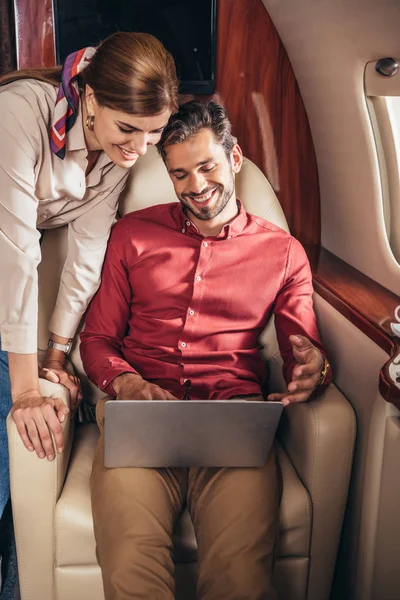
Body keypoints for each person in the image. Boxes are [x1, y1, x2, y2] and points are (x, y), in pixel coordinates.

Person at [80, 100, 332, 600]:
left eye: (206, 166)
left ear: (234, 158)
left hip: (233, 424)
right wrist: (128, 384)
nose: (195, 186)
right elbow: (97, 340)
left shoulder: (284, 253)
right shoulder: (131, 235)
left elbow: (305, 350)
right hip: (140, 419)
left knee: (241, 581)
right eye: (179, 175)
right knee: (132, 575)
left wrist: (316, 370)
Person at [0, 31, 178, 599]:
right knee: (14, 420)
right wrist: (26, 387)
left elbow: (87, 251)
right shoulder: (19, 113)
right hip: (7, 273)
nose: (141, 148)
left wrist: (56, 354)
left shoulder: (118, 150)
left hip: (9, 298)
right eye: (129, 129)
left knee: (28, 442)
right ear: (91, 99)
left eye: (154, 133)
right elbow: (17, 252)